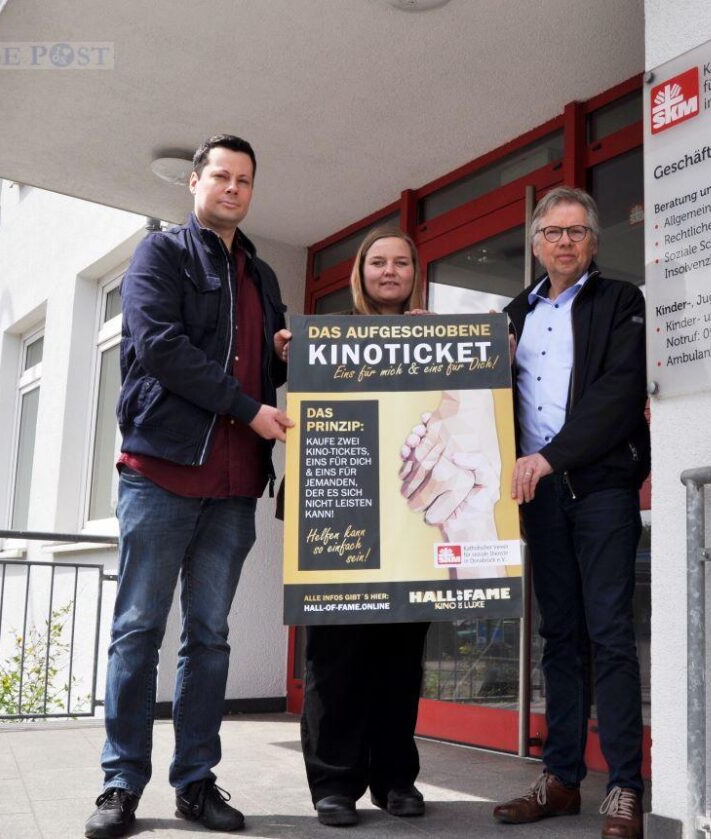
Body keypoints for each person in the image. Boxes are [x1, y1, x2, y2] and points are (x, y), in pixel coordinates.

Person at [84, 134, 294, 839]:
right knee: (138, 630)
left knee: (209, 636)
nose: (233, 189)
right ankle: (120, 783)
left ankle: (196, 782)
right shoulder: (162, 253)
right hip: (161, 472)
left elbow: (271, 376)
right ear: (195, 182)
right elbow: (162, 347)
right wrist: (247, 406)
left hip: (234, 485)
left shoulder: (263, 277)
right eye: (221, 176)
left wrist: (290, 356)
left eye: (245, 180)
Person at [492, 187, 649, 839]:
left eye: (577, 231)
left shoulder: (621, 302)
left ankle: (623, 788)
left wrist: (551, 456)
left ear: (593, 242)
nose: (564, 241)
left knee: (609, 634)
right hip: (540, 497)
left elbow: (618, 393)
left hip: (601, 489)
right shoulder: (511, 315)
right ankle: (560, 779)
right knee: (559, 636)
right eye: (553, 232)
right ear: (535, 243)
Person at [292, 227, 432, 827]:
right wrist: (285, 349)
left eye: (402, 262)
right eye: (379, 262)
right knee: (336, 656)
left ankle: (396, 779)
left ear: (413, 273)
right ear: (361, 272)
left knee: (400, 658)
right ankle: (334, 785)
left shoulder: (435, 337)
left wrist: (488, 348)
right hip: (341, 513)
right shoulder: (325, 338)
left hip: (410, 521)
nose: (390, 271)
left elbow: (464, 403)